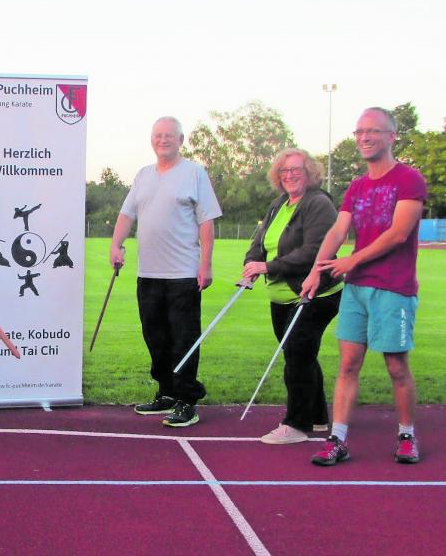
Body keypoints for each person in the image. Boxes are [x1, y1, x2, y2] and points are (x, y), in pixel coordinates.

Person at [302, 107, 427, 466]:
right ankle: (338, 439)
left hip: (393, 288)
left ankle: (406, 434)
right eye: (359, 132)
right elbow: (339, 230)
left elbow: (399, 233)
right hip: (356, 289)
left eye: (372, 131)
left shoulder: (408, 180)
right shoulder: (357, 185)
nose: (364, 138)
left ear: (392, 136)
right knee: (348, 364)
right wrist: (317, 270)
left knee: (396, 366)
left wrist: (351, 261)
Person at [110, 116, 221, 427]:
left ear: (181, 140)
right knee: (155, 336)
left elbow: (207, 221)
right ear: (151, 140)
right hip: (148, 274)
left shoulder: (194, 173)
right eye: (158, 135)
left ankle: (187, 400)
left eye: (170, 135)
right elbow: (125, 214)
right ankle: (167, 391)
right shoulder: (143, 175)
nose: (163, 140)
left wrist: (206, 263)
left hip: (183, 273)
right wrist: (115, 245)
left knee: (183, 338)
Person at [242, 149, 342, 444]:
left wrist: (269, 266)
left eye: (296, 169)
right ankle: (318, 416)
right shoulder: (279, 204)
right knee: (301, 354)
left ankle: (297, 424)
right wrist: (251, 265)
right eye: (284, 171)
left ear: (309, 171)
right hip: (281, 296)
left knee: (297, 355)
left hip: (315, 293)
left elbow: (314, 250)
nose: (290, 175)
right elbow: (259, 241)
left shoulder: (319, 204)